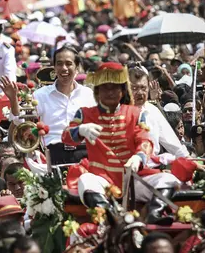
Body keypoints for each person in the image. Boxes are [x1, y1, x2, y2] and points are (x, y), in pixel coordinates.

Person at [61, 62, 177, 225]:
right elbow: (65, 137)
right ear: (97, 91)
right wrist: (80, 130)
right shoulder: (84, 113)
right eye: (105, 87)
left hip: (132, 179)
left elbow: (145, 139)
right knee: (85, 181)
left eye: (115, 87)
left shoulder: (137, 113)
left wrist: (139, 157)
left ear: (122, 91)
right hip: (101, 179)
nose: (110, 92)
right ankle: (111, 218)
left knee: (168, 180)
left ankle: (154, 214)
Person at [1, 44, 96, 164]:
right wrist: (13, 99)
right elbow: (20, 122)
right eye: (60, 64)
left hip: (84, 153)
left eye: (69, 63)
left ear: (77, 67)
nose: (64, 68)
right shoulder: (41, 95)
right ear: (54, 68)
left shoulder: (88, 94)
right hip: (54, 153)